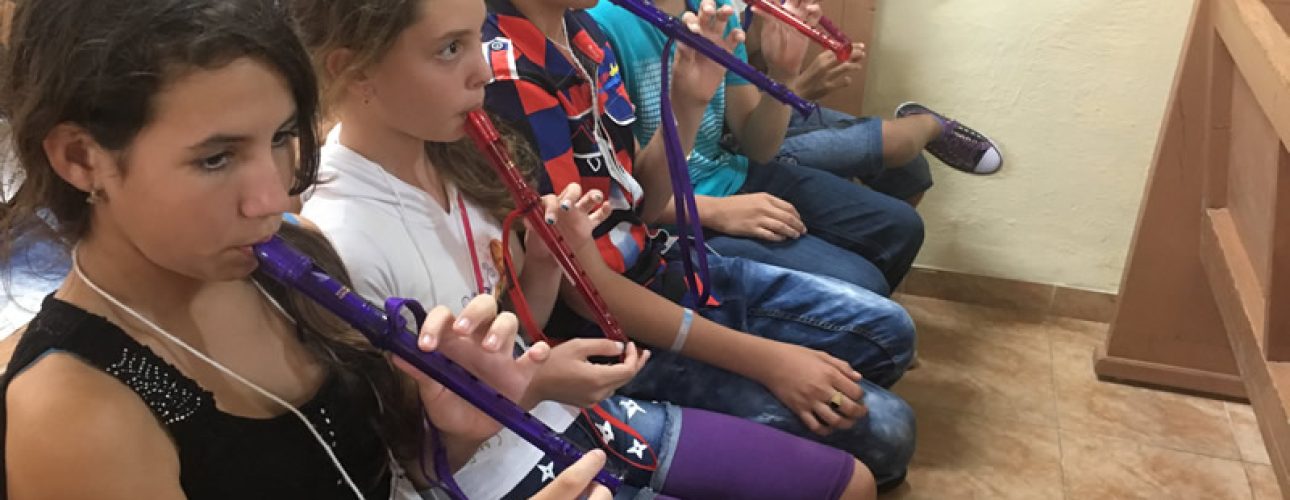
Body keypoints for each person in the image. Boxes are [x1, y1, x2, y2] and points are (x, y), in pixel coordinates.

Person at [0, 0, 606, 497]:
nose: (273, 197)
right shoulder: (76, 417)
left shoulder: (294, 258)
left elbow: (363, 476)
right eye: (216, 158)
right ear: (82, 159)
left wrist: (453, 438)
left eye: (283, 137)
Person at [294, 0, 879, 497]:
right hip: (511, 471)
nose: (481, 69)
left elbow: (518, 324)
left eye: (476, 37)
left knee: (852, 482)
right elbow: (409, 469)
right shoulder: (342, 239)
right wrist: (534, 385)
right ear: (355, 70)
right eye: (450, 49)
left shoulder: (453, 151)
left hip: (573, 416)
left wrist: (546, 264)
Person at [483, 0, 916, 488]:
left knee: (892, 333)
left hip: (657, 266)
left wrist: (686, 102)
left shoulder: (582, 33)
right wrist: (767, 360)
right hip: (603, 333)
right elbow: (585, 290)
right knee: (887, 430)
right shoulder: (508, 76)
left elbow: (640, 205)